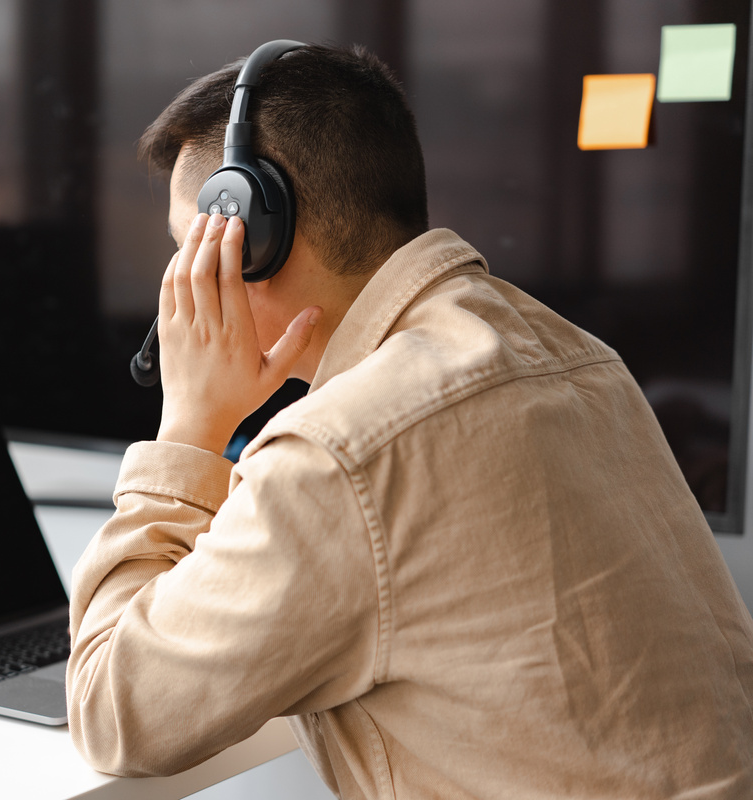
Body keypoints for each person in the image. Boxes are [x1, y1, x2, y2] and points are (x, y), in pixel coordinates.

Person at [66, 42, 753, 799]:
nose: (182, 288)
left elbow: (110, 714)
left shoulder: (340, 454)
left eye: (190, 250)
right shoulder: (578, 356)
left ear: (252, 240)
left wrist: (189, 431)